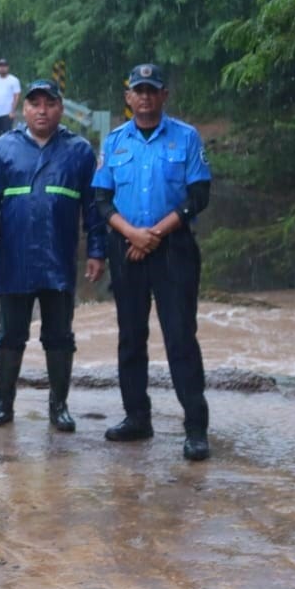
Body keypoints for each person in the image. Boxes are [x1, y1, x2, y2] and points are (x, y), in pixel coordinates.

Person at [92, 63, 213, 461]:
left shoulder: (186, 138)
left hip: (174, 250)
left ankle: (195, 428)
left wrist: (154, 234)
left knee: (180, 337)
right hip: (126, 250)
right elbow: (101, 200)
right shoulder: (114, 142)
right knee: (131, 337)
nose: (145, 97)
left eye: (152, 90)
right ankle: (137, 418)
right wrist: (132, 234)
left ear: (164, 96)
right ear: (128, 98)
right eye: (138, 91)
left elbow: (197, 196)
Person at [0, 81, 106, 432]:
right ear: (24, 110)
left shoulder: (78, 150)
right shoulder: (4, 148)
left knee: (60, 335)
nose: (42, 110)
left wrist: (96, 250)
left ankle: (59, 407)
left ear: (60, 109)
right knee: (10, 335)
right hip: (15, 257)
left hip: (58, 257)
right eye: (35, 104)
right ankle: (3, 404)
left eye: (49, 103)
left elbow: (93, 207)